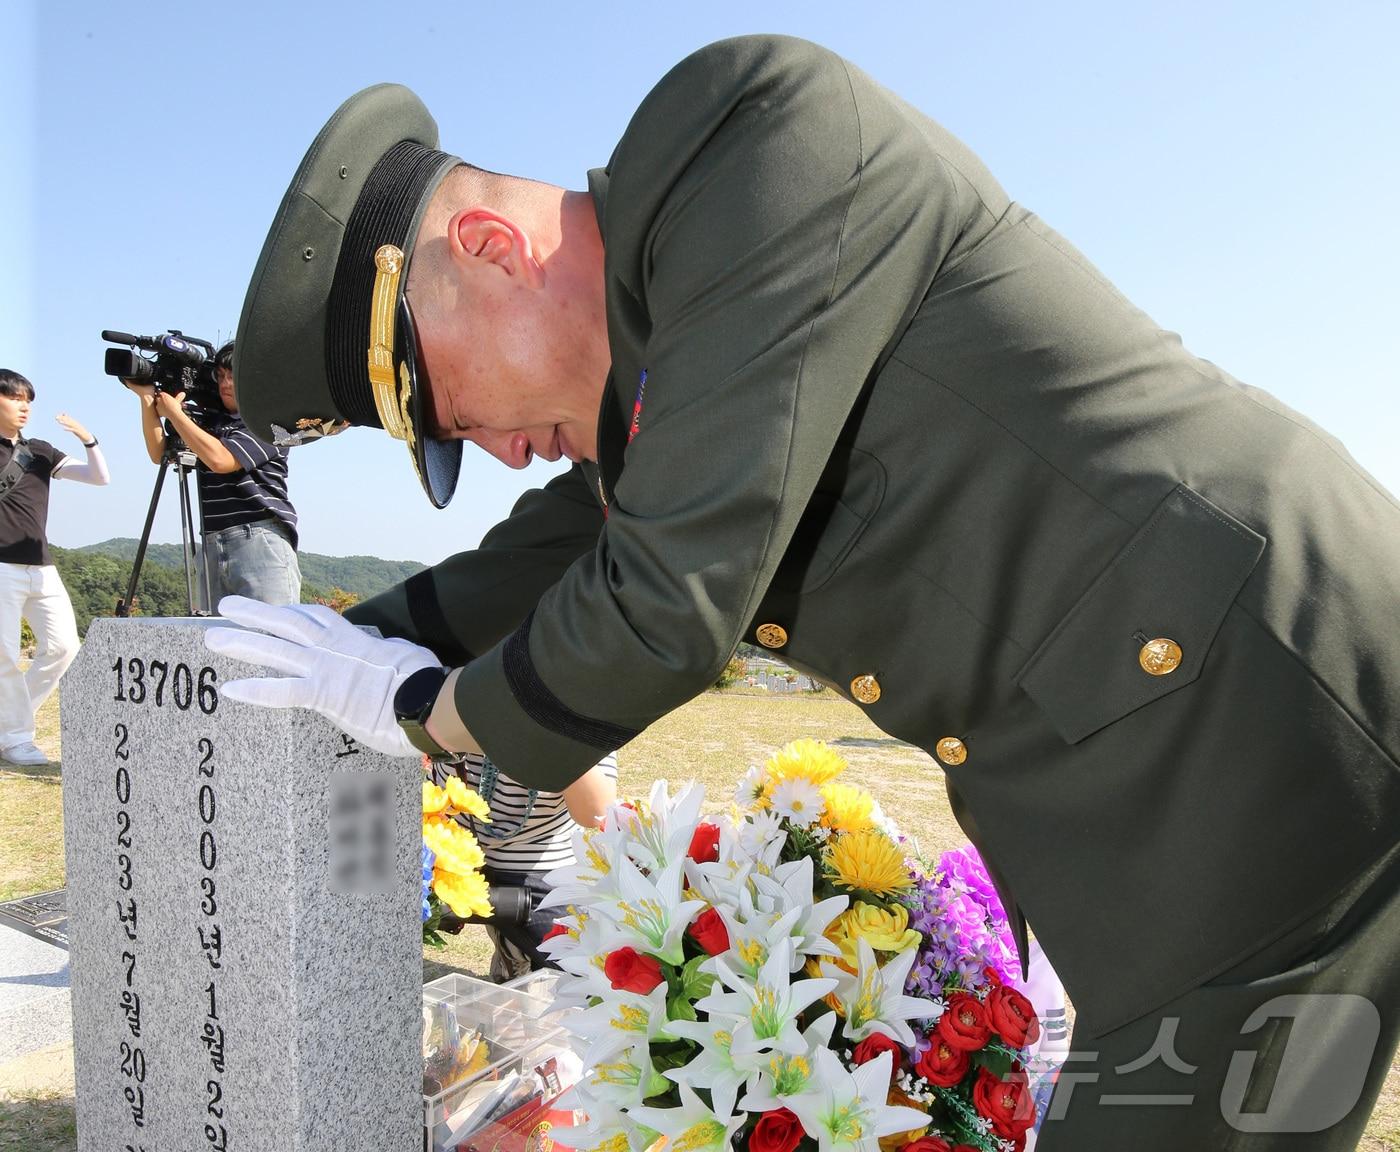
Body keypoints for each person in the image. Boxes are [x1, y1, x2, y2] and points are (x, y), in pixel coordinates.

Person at [211, 37, 1400, 1149]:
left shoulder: (743, 134)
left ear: (487, 247)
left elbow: (660, 599)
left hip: (1255, 694)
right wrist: (335, 641)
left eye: (452, 409)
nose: (500, 452)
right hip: (1168, 744)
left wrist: (422, 704)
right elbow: (544, 556)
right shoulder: (667, 371)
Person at [126, 340, 301, 609]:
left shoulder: (271, 423)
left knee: (273, 641)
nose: (225, 384)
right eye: (220, 376)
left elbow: (221, 460)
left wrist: (174, 414)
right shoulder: (212, 422)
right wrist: (148, 399)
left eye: (233, 376)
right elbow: (158, 452)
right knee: (216, 645)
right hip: (211, 542)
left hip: (258, 539)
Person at [0, 369, 109, 766]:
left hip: (42, 566)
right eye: (14, 398)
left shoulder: (40, 451)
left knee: (64, 648)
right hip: (1, 568)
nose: (24, 405)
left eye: (28, 399)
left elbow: (99, 477)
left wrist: (87, 438)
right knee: (5, 655)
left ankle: (9, 722)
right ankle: (14, 738)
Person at [432, 751, 617, 981]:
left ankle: (513, 949)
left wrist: (557, 731)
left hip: (538, 859)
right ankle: (512, 947)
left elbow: (596, 812)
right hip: (444, 844)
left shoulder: (591, 714)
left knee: (584, 975)